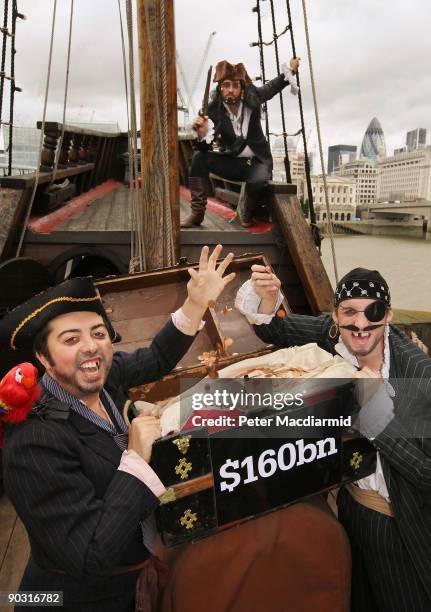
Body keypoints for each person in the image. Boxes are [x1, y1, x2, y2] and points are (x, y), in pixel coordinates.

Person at [0, 245, 235, 612]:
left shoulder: (104, 380)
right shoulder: (33, 441)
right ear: (43, 359)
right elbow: (92, 553)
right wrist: (137, 457)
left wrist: (195, 304)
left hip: (129, 580)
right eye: (71, 339)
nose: (90, 348)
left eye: (98, 333)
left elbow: (155, 357)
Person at [235, 265, 431, 611]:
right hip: (352, 507)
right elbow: (277, 328)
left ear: (388, 314)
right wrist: (268, 297)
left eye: (372, 312)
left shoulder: (417, 372)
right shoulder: (331, 334)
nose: (360, 324)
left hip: (399, 522)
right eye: (349, 312)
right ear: (336, 315)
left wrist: (375, 411)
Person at [180, 57, 300, 229]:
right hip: (234, 162)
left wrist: (291, 70)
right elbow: (205, 147)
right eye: (226, 85)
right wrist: (201, 134)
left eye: (235, 86)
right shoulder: (214, 110)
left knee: (257, 182)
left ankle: (246, 213)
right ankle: (197, 214)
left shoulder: (254, 98)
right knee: (199, 157)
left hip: (257, 161)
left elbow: (272, 87)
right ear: (220, 89)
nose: (231, 90)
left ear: (242, 89)